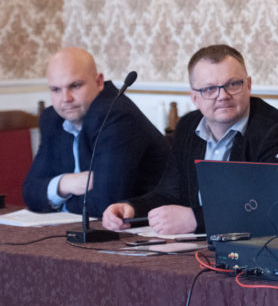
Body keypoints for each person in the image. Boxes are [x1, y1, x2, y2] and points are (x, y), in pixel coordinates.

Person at [102, 44, 278, 234]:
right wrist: (131, 208)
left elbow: (276, 207)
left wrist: (196, 219)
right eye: (210, 89)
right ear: (194, 98)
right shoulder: (187, 127)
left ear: (248, 85)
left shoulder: (277, 132)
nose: (223, 96)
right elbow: (171, 192)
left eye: (233, 84)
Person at [22, 47, 169, 217]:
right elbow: (30, 193)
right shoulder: (52, 119)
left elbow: (105, 204)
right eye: (56, 90)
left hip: (146, 226)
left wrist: (57, 199)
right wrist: (66, 183)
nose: (66, 99)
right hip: (83, 226)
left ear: (99, 82)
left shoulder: (116, 116)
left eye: (75, 86)